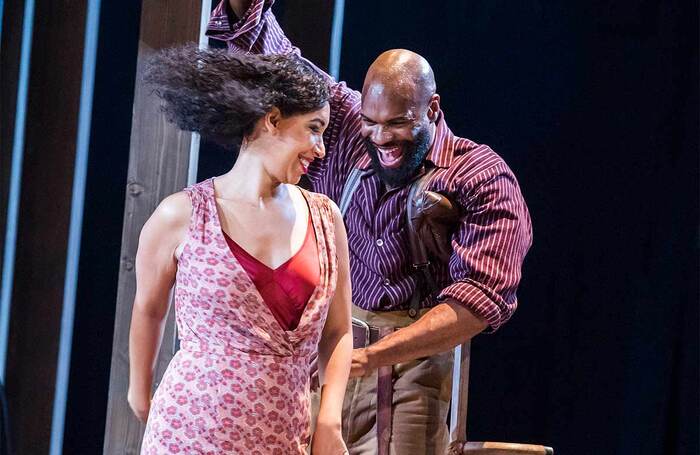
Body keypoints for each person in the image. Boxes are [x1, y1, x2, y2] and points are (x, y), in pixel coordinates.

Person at [208, 2, 533, 453]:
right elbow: (275, 59)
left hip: (415, 363)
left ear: (432, 108)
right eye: (372, 122)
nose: (381, 138)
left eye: (398, 124)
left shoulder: (478, 175)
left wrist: (370, 358)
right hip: (332, 345)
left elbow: (478, 301)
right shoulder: (345, 125)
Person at [127, 45, 353, 454]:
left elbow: (338, 332)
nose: (320, 148)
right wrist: (141, 395)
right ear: (272, 120)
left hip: (284, 434)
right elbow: (149, 307)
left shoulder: (325, 218)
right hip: (193, 429)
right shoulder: (181, 215)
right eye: (314, 128)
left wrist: (329, 420)